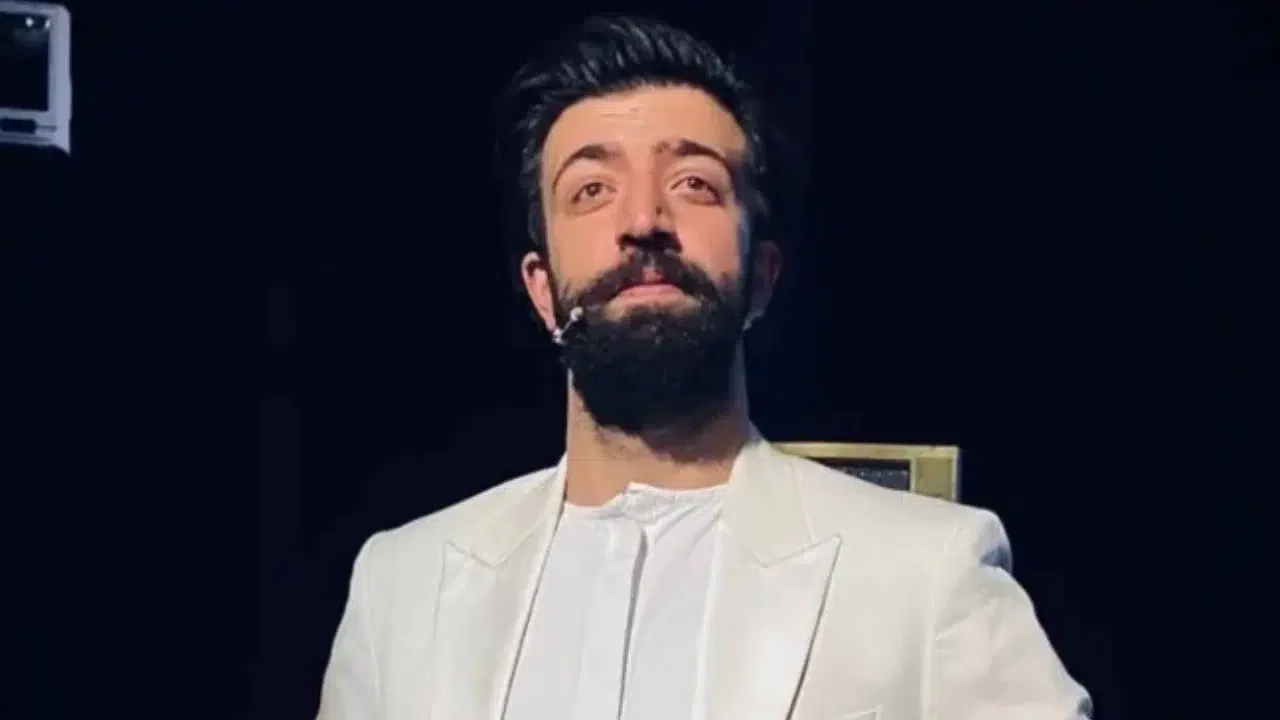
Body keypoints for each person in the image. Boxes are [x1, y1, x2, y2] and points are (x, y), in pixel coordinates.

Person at [316, 14, 1091, 720]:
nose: (644, 220)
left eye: (694, 184)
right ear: (541, 289)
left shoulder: (926, 575)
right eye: (591, 190)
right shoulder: (400, 589)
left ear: (762, 278)